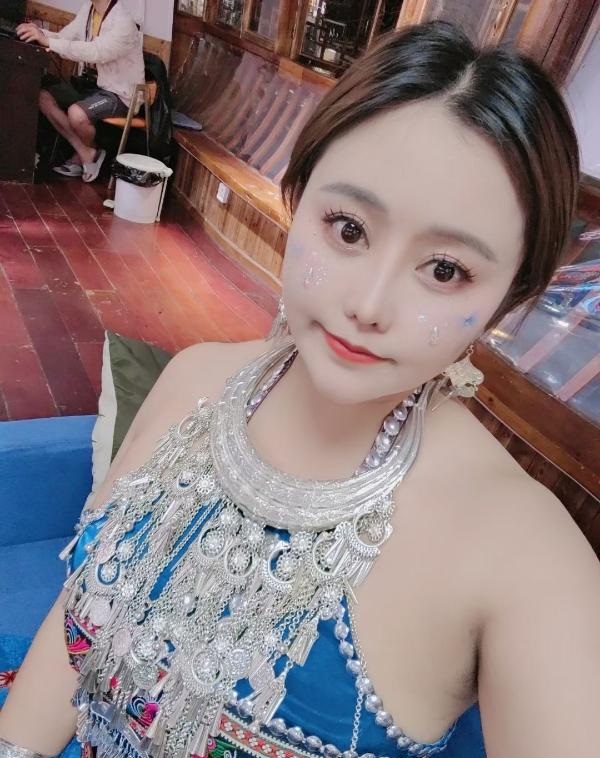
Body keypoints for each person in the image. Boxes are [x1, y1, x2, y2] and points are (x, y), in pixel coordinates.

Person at [1, 19, 599, 758]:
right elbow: (80, 616)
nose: (369, 304)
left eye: (445, 270)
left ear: (510, 298)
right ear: (297, 195)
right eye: (348, 228)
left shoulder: (529, 559)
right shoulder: (193, 379)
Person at [16, 1, 144, 182]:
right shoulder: (89, 10)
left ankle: (81, 157)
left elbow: (96, 52)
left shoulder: (124, 22)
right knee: (43, 96)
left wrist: (48, 41)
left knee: (76, 114)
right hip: (96, 87)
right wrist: (37, 33)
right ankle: (86, 152)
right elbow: (65, 37)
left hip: (122, 95)